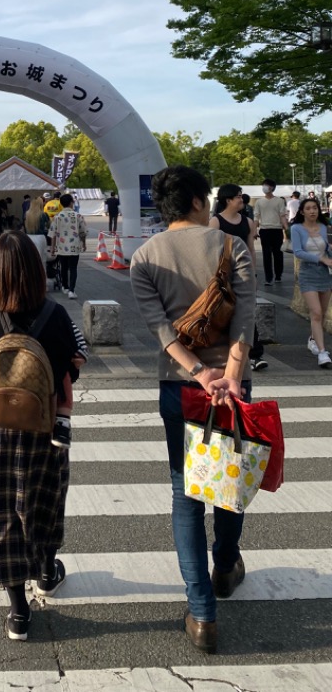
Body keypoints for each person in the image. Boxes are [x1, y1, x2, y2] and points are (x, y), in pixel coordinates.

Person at [130, 166, 256, 654]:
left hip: (179, 386)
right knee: (228, 480)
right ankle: (225, 564)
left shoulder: (145, 256)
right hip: (232, 384)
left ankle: (202, 613)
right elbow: (245, 316)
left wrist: (197, 373)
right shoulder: (232, 247)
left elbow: (159, 329)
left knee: (186, 492)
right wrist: (229, 374)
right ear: (202, 202)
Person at [0, 230, 83, 641]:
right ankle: (47, 571)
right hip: (44, 425)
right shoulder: (55, 313)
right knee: (44, 497)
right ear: (36, 271)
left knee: (1, 505)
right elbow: (71, 369)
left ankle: (18, 612)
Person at [210, 183, 268, 370]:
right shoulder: (216, 222)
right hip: (223, 274)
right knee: (223, 312)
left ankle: (254, 354)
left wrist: (253, 274)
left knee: (247, 313)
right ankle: (224, 353)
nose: (241, 198)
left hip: (244, 275)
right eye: (238, 196)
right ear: (228, 200)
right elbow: (211, 251)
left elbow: (251, 250)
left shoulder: (248, 222)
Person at [290, 196, 332, 369]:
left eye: (315, 208)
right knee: (315, 312)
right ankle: (323, 352)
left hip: (325, 274)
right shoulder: (296, 228)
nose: (312, 211)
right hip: (307, 272)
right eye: (308, 208)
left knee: (321, 313)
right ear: (302, 211)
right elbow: (298, 251)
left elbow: (328, 248)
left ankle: (313, 339)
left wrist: (328, 255)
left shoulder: (324, 228)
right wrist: (320, 259)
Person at [48, 193, 87, 300]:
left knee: (63, 268)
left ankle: (65, 286)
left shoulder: (57, 217)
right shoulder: (78, 216)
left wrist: (52, 249)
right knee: (73, 268)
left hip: (61, 247)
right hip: (74, 246)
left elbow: (53, 234)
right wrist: (84, 243)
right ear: (71, 203)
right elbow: (83, 232)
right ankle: (72, 290)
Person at [253, 178, 288, 286]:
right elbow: (256, 217)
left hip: (277, 230)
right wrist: (254, 230)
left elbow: (282, 216)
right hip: (264, 230)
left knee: (278, 254)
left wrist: (287, 229)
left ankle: (278, 275)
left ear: (272, 187)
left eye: (266, 185)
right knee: (266, 255)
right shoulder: (259, 201)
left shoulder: (279, 201)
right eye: (263, 185)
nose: (264, 187)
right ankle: (268, 278)